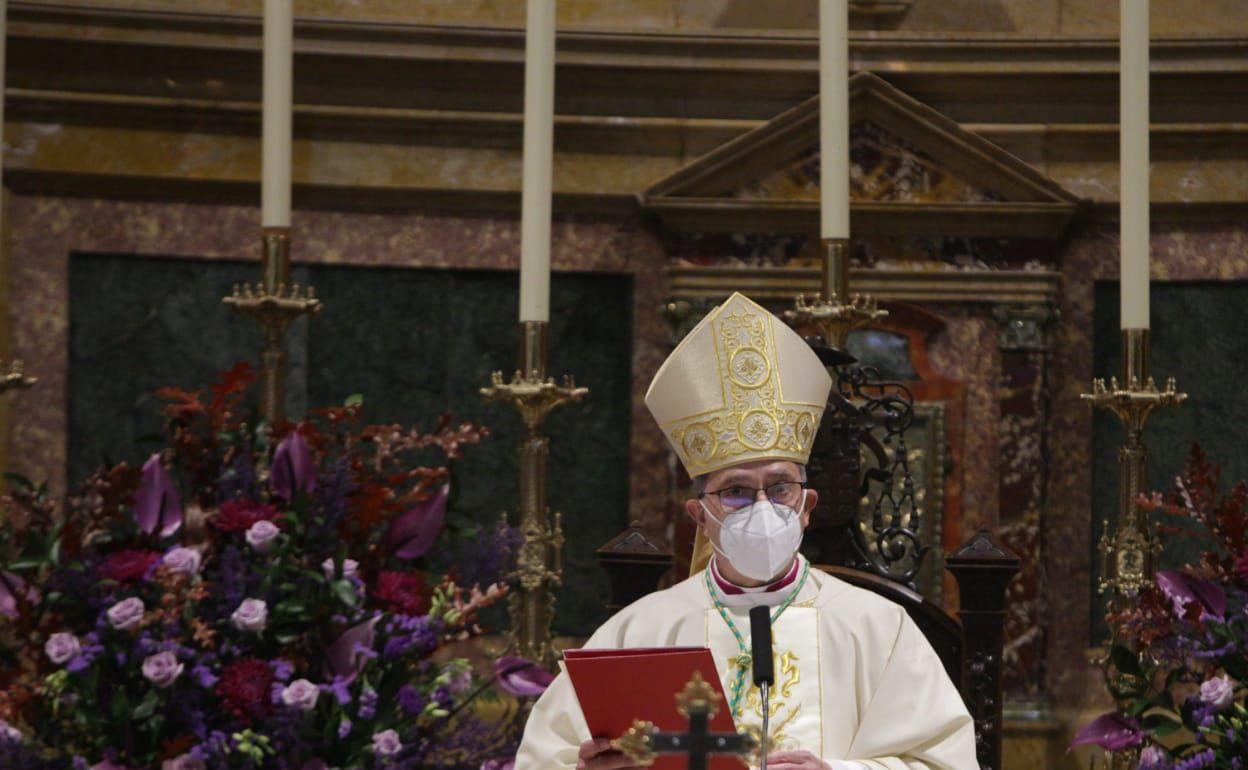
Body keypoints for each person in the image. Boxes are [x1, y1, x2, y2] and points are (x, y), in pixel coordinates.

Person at [515, 293, 976, 770]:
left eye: (780, 487)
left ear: (807, 506)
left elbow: (946, 763)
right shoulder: (640, 631)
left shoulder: (876, 626)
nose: (761, 507)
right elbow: (545, 760)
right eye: (735, 490)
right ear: (699, 515)